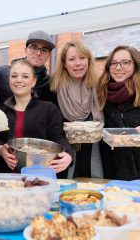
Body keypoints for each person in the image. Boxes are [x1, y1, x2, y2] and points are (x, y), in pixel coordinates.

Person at [0, 59, 73, 178]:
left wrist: (68, 154)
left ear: (33, 82)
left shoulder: (49, 109)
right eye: (14, 76)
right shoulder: (1, 112)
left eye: (25, 76)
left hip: (38, 178)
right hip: (4, 178)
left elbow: (58, 136)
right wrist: (0, 149)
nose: (19, 80)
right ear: (9, 81)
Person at [50, 40, 103, 178]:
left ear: (89, 61)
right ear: (65, 64)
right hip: (64, 161)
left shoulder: (101, 88)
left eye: (82, 58)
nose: (78, 63)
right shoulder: (53, 90)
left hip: (96, 159)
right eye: (72, 59)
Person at [98, 45, 140, 180]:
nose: (118, 67)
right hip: (113, 178)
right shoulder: (101, 95)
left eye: (125, 62)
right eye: (114, 63)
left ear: (135, 65)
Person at [0, 30, 58, 107]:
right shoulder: (3, 73)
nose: (38, 53)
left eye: (44, 49)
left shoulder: (50, 83)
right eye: (34, 47)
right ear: (26, 50)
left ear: (49, 55)